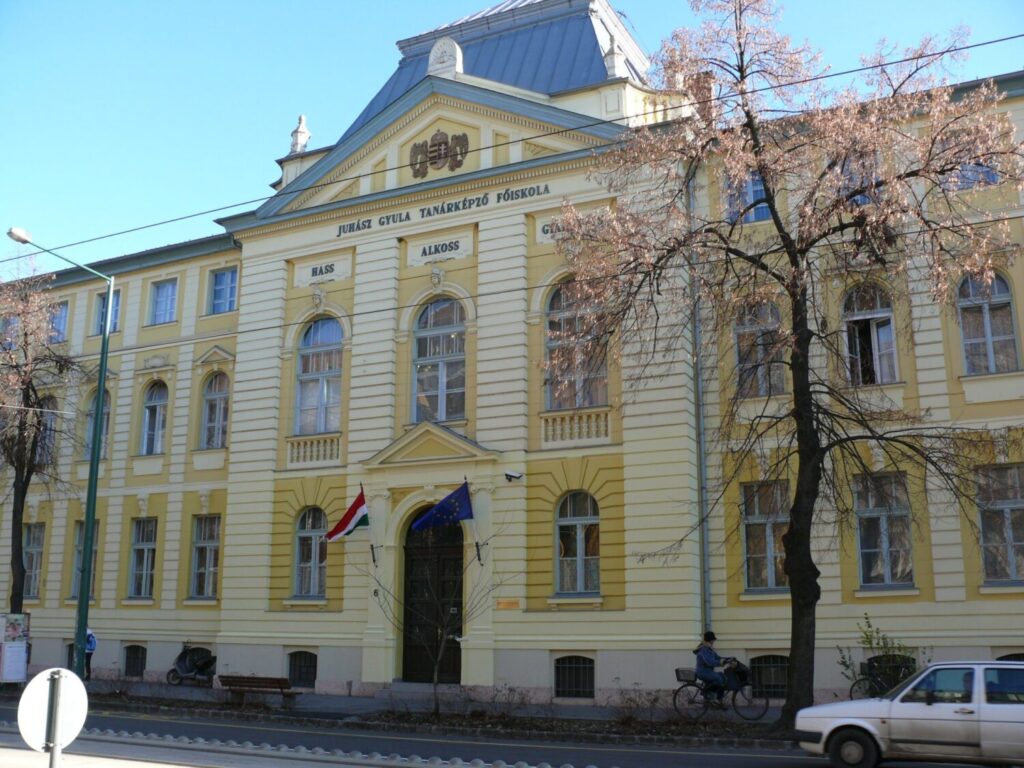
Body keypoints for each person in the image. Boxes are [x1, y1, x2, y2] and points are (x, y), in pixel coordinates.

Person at [694, 630, 727, 705]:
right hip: (702, 672)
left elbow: (718, 657)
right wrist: (720, 662)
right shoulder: (703, 650)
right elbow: (709, 662)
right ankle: (706, 692)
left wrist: (728, 659)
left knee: (723, 676)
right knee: (718, 678)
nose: (713, 641)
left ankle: (717, 699)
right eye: (713, 640)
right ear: (710, 640)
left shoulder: (709, 649)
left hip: (708, 671)